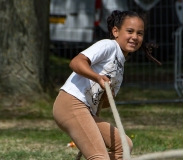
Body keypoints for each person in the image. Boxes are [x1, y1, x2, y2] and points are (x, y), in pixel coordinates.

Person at [53, 10, 161, 160]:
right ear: (115, 31)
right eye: (130, 31)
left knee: (124, 147)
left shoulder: (120, 66)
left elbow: (103, 104)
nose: (135, 37)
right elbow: (76, 62)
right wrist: (97, 77)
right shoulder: (108, 46)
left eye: (140, 33)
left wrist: (107, 94)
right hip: (71, 104)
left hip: (87, 111)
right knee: (99, 156)